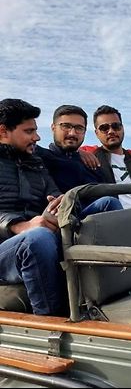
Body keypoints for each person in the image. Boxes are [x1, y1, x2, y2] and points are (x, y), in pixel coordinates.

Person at [0, 99, 66, 315]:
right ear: (3, 132)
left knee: (105, 204)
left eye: (36, 131)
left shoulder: (35, 162)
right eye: (29, 131)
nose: (37, 137)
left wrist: (62, 205)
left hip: (39, 231)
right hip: (11, 244)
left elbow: (55, 194)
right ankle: (50, 327)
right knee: (37, 239)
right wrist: (20, 226)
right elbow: (30, 231)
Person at [35, 105, 123, 215]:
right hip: (64, 220)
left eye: (79, 128)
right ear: (53, 128)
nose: (72, 133)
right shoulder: (40, 157)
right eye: (66, 126)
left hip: (100, 222)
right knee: (109, 202)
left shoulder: (92, 164)